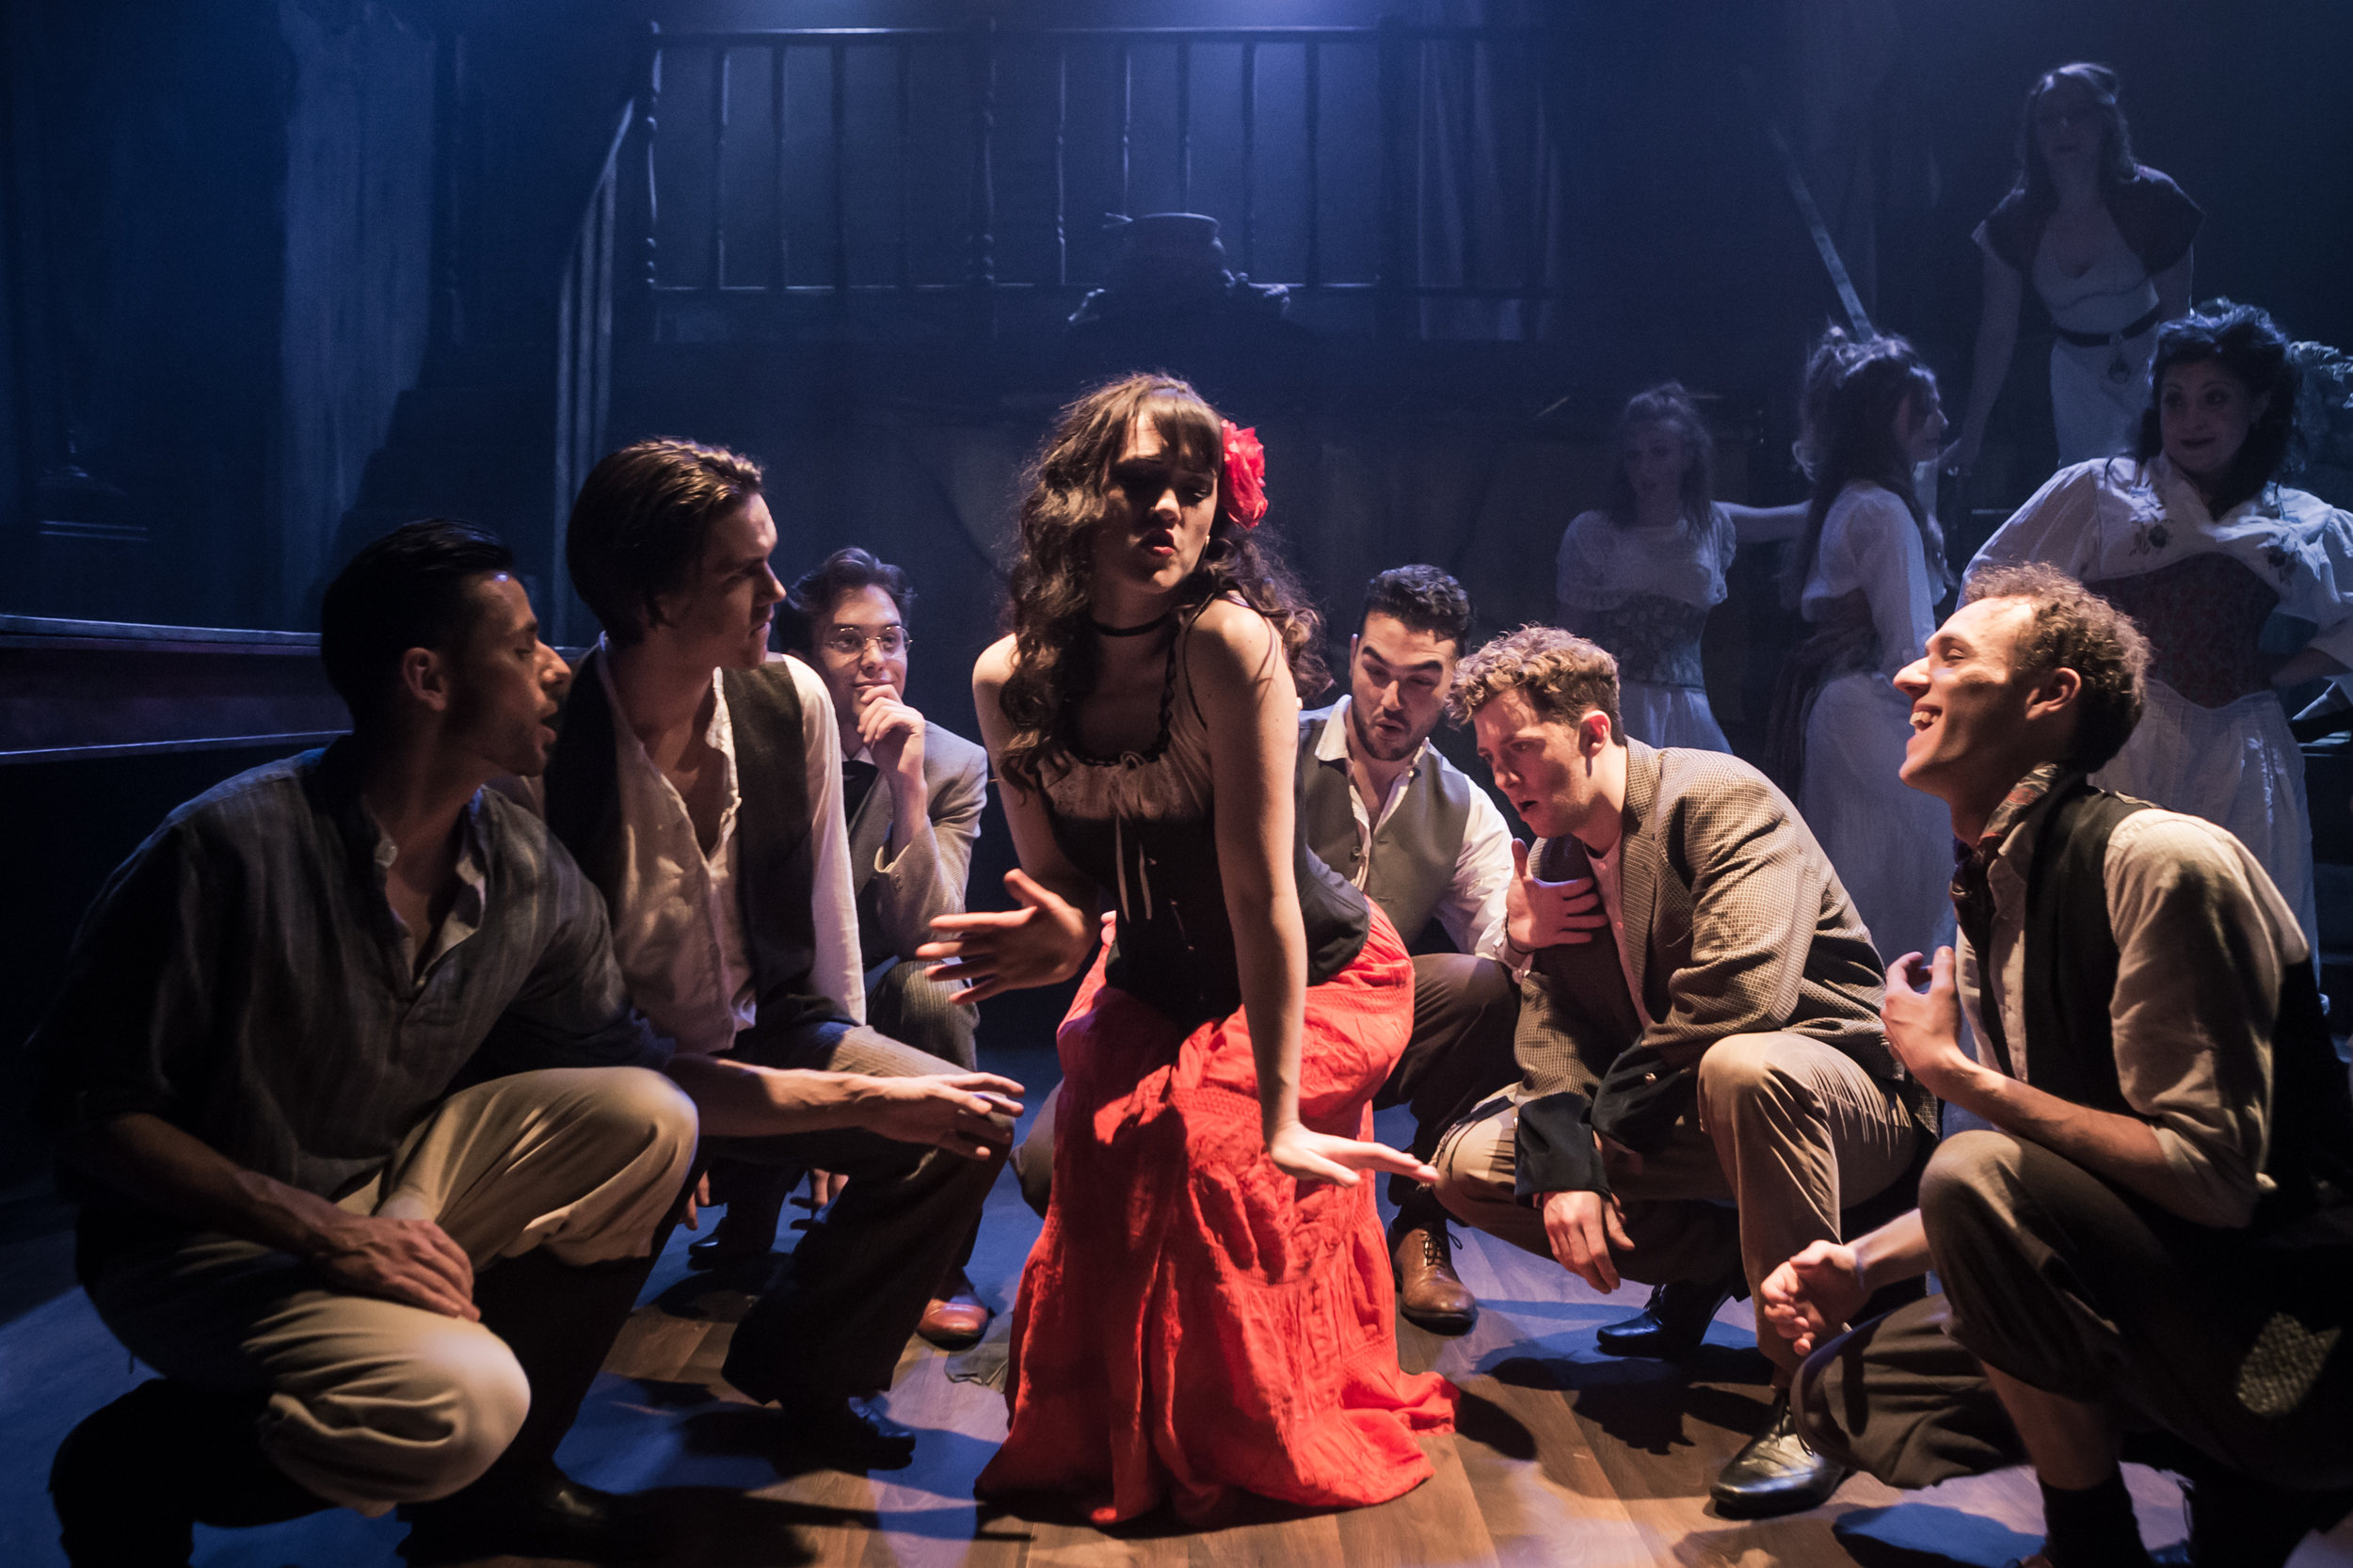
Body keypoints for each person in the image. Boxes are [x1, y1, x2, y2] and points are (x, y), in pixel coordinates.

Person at [37, 520, 699, 1566]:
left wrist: (851, 1106)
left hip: (380, 1192)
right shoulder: (226, 848)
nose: (556, 669)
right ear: (427, 677)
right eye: (523, 645)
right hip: (199, 1243)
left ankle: (502, 1490)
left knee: (650, 1120)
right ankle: (138, 1457)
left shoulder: (519, 862)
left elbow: (630, 1058)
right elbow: (83, 1111)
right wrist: (320, 1231)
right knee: (462, 1406)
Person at [920, 374, 1455, 1525]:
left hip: (1316, 973)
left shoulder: (1227, 644)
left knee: (1213, 1155)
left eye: (1192, 488)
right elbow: (1062, 886)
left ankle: (1244, 1429)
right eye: (1139, 483)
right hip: (1155, 976)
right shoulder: (1007, 678)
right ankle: (1122, 1431)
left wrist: (1276, 1113)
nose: (1168, 509)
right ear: (1078, 497)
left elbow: (1264, 896)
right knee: (1095, 1152)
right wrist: (1056, 931)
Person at [1770, 564, 2353, 1568]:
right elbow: (2059, 1166)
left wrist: (1957, 1077)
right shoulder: (2001, 882)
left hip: (2293, 1335)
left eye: (1951, 656)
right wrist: (1860, 1265)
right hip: (2172, 1288)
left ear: (2049, 698)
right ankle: (2213, 1470)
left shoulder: (2159, 860)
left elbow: (2211, 1183)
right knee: (1844, 1394)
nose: (1910, 676)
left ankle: (2111, 1536)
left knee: (1968, 1165)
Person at [537, 439, 1021, 1469]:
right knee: (630, 1179)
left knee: (966, 1119)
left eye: (770, 561)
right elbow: (559, 1019)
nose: (772, 590)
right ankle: (514, 1447)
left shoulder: (784, 697)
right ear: (655, 598)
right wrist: (821, 1108)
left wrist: (846, 1087)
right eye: (740, 571)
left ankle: (808, 1363)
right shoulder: (559, 741)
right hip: (619, 1075)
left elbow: (832, 941)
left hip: (777, 1029)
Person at [1433, 625, 1933, 1519]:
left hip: (1842, 1104)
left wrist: (1595, 1134)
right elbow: (1552, 1023)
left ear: (1593, 732)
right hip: (1685, 1107)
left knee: (1744, 1068)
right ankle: (1721, 1265)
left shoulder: (1718, 798)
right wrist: (1562, 1159)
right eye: (1490, 757)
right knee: (1471, 1170)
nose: (1504, 777)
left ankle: (1809, 1399)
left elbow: (1742, 995)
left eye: (1522, 750)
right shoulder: (1552, 857)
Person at [1007, 563, 1524, 1335]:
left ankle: (1420, 1221)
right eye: (1376, 670)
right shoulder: (1267, 737)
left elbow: (1495, 939)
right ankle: (1167, 1284)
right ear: (1352, 653)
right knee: (1050, 1166)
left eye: (1420, 681)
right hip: (1224, 1004)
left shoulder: (1464, 806)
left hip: (1356, 1026)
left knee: (1487, 987)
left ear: (1451, 684)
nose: (1391, 699)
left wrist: (1524, 933)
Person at [1969, 301, 2353, 954]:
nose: (2190, 418)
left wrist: (2280, 672)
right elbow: (1994, 583)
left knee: (2238, 933)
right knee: (2113, 920)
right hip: (2121, 739)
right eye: (2174, 399)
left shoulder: (2301, 519)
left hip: (2241, 748)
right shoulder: (2104, 490)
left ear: (2259, 404)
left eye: (2214, 399)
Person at [689, 546, 996, 1352]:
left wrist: (906, 788)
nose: (874, 662)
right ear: (804, 655)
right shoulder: (760, 743)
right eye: (847, 640)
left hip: (879, 993)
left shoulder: (955, 763)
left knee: (935, 986)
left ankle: (938, 1264)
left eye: (890, 640)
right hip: (765, 988)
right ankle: (750, 1205)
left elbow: (931, 937)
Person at [1768, 329, 1959, 968]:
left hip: (1844, 711)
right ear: (1887, 418)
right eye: (1923, 408)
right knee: (1905, 887)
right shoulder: (1878, 509)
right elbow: (1909, 649)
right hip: (1878, 716)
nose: (1941, 422)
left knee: (1861, 883)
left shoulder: (1855, 501)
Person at [1945, 63, 2201, 472]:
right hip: (2077, 377)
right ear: (2034, 135)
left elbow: (2177, 315)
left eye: (2078, 113)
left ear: (2104, 123)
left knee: (2168, 488)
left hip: (2155, 363)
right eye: (2048, 119)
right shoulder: (2015, 222)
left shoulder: (2152, 201)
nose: (2063, 127)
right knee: (2091, 497)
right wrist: (1972, 435)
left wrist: (2180, 398)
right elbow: (1996, 333)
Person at [1556, 383, 1806, 750]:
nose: (1645, 468)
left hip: (1687, 707)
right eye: (1634, 456)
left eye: (1659, 453)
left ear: (1687, 456)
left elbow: (1798, 518)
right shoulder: (1595, 532)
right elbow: (1566, 636)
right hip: (1614, 706)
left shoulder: (1712, 524)